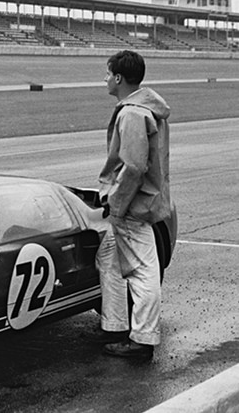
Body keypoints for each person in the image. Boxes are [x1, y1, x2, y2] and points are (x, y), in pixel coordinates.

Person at [91, 50, 171, 360]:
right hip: (140, 202)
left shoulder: (132, 114)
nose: (105, 79)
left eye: (107, 74)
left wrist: (116, 201)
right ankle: (114, 325)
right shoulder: (145, 107)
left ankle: (142, 340)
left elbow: (134, 166)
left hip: (132, 206)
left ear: (119, 77)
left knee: (143, 271)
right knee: (109, 259)